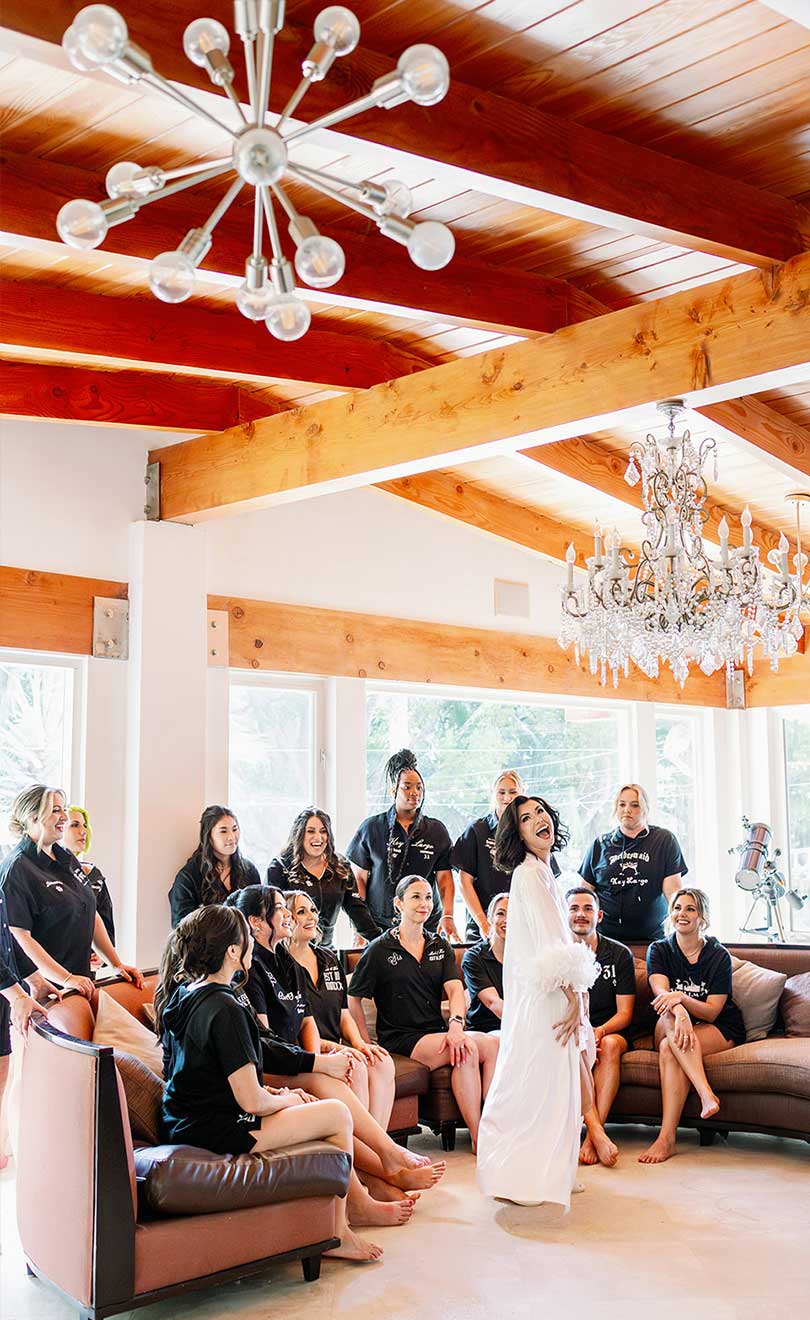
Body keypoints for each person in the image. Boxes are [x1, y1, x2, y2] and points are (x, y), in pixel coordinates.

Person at [155, 904, 382, 1263]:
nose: (250, 944)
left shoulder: (187, 993)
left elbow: (213, 1076)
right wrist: (286, 1100)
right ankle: (339, 1229)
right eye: (245, 936)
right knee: (337, 1114)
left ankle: (354, 1206)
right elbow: (251, 1103)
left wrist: (278, 1094)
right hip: (210, 1129)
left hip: (185, 1118)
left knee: (312, 1104)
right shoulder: (226, 1008)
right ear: (233, 950)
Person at [226, 885, 444, 1211]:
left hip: (292, 1058)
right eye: (281, 909)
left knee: (362, 1064)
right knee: (332, 1082)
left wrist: (348, 1047)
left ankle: (380, 1170)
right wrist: (317, 1061)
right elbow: (265, 1041)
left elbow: (305, 1023)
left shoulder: (289, 963)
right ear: (256, 923)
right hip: (272, 1065)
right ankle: (386, 1162)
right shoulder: (250, 970)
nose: (289, 914)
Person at [476, 796, 606, 1208]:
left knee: (556, 1083)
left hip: (547, 993)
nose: (539, 820)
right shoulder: (529, 875)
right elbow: (551, 943)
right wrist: (573, 998)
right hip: (547, 998)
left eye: (541, 812)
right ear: (517, 833)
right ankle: (525, 1176)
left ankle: (551, 1172)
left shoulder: (543, 872)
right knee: (539, 1084)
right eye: (526, 818)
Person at [348, 874, 500, 1152]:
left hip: (437, 1033)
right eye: (416, 897)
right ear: (398, 904)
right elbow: (353, 998)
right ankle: (481, 1137)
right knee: (466, 1049)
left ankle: (492, 1125)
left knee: (491, 1044)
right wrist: (363, 1043)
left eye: (429, 897)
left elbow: (455, 991)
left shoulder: (439, 945)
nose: (424, 903)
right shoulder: (379, 949)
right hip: (402, 1038)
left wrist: (456, 1026)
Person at [1, 785, 142, 1000]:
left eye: (63, 809)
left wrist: (116, 963)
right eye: (55, 810)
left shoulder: (67, 858)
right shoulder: (17, 869)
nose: (64, 817)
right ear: (33, 817)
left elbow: (90, 913)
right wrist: (65, 978)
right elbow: (19, 937)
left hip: (80, 982)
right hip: (45, 990)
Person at [639, 888, 745, 1165]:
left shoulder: (718, 955)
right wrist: (681, 1011)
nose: (681, 914)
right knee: (670, 1019)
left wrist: (682, 997)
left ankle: (666, 1138)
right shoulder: (659, 949)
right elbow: (661, 994)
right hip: (671, 1020)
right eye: (677, 908)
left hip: (717, 1027)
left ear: (702, 917)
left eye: (690, 909)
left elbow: (712, 1012)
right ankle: (705, 1093)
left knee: (667, 1048)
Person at [286, 888, 397, 1129]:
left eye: (313, 911)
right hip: (307, 1051)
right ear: (286, 918)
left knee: (381, 1061)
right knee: (354, 1065)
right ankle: (360, 1150)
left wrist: (359, 1044)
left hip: (335, 1045)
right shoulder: (281, 964)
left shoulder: (328, 957)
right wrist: (337, 1048)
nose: (311, 917)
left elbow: (343, 1012)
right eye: (301, 912)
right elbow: (294, 1028)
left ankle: (378, 1143)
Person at [347, 749, 458, 941]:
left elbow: (445, 881)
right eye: (407, 787)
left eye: (419, 787)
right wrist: (359, 926)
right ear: (394, 790)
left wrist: (448, 915)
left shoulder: (436, 831)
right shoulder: (371, 828)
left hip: (426, 924)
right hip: (379, 925)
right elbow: (359, 880)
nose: (414, 792)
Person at [567, 886, 636, 1166]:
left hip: (609, 1030)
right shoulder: (558, 955)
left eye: (587, 909)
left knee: (608, 1045)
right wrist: (583, 1032)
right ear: (564, 914)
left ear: (600, 915)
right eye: (574, 908)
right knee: (572, 1046)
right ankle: (597, 1132)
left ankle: (591, 1136)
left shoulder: (619, 954)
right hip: (573, 1032)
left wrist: (600, 1030)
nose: (581, 914)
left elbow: (626, 1013)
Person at [579, 783, 687, 942]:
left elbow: (673, 891)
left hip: (651, 938)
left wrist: (681, 929)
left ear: (645, 808)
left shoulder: (664, 840)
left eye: (634, 805)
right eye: (622, 804)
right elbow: (584, 893)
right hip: (606, 939)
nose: (627, 810)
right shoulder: (600, 845)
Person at [267, 809, 378, 948]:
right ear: (299, 834)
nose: (318, 838)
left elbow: (358, 911)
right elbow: (271, 915)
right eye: (311, 831)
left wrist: (382, 941)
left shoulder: (340, 866)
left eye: (323, 831)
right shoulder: (279, 867)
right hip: (289, 951)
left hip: (326, 951)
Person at [169, 805, 261, 927]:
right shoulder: (188, 877)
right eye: (223, 831)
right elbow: (181, 927)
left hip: (246, 943)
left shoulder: (249, 871)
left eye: (235, 829)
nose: (232, 837)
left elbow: (259, 915)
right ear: (208, 835)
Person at [64, 805, 116, 944]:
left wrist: (101, 957)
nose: (83, 831)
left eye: (84, 825)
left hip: (88, 962)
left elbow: (107, 925)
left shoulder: (94, 875)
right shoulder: (43, 875)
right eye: (74, 825)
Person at [461, 893, 508, 1034]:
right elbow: (494, 1003)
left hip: (520, 1027)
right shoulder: (474, 958)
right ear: (489, 919)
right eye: (500, 913)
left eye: (514, 914)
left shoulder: (527, 955)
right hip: (485, 1031)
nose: (507, 920)